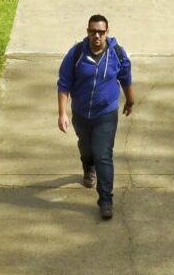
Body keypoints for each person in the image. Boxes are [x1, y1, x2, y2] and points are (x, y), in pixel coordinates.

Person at [57, 14, 135, 220]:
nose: (97, 36)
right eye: (93, 31)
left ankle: (106, 200)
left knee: (103, 154)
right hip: (81, 113)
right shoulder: (76, 54)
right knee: (86, 147)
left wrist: (130, 100)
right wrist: (62, 113)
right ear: (88, 32)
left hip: (106, 113)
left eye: (101, 32)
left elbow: (126, 77)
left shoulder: (116, 53)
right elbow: (63, 83)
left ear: (107, 32)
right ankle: (87, 166)